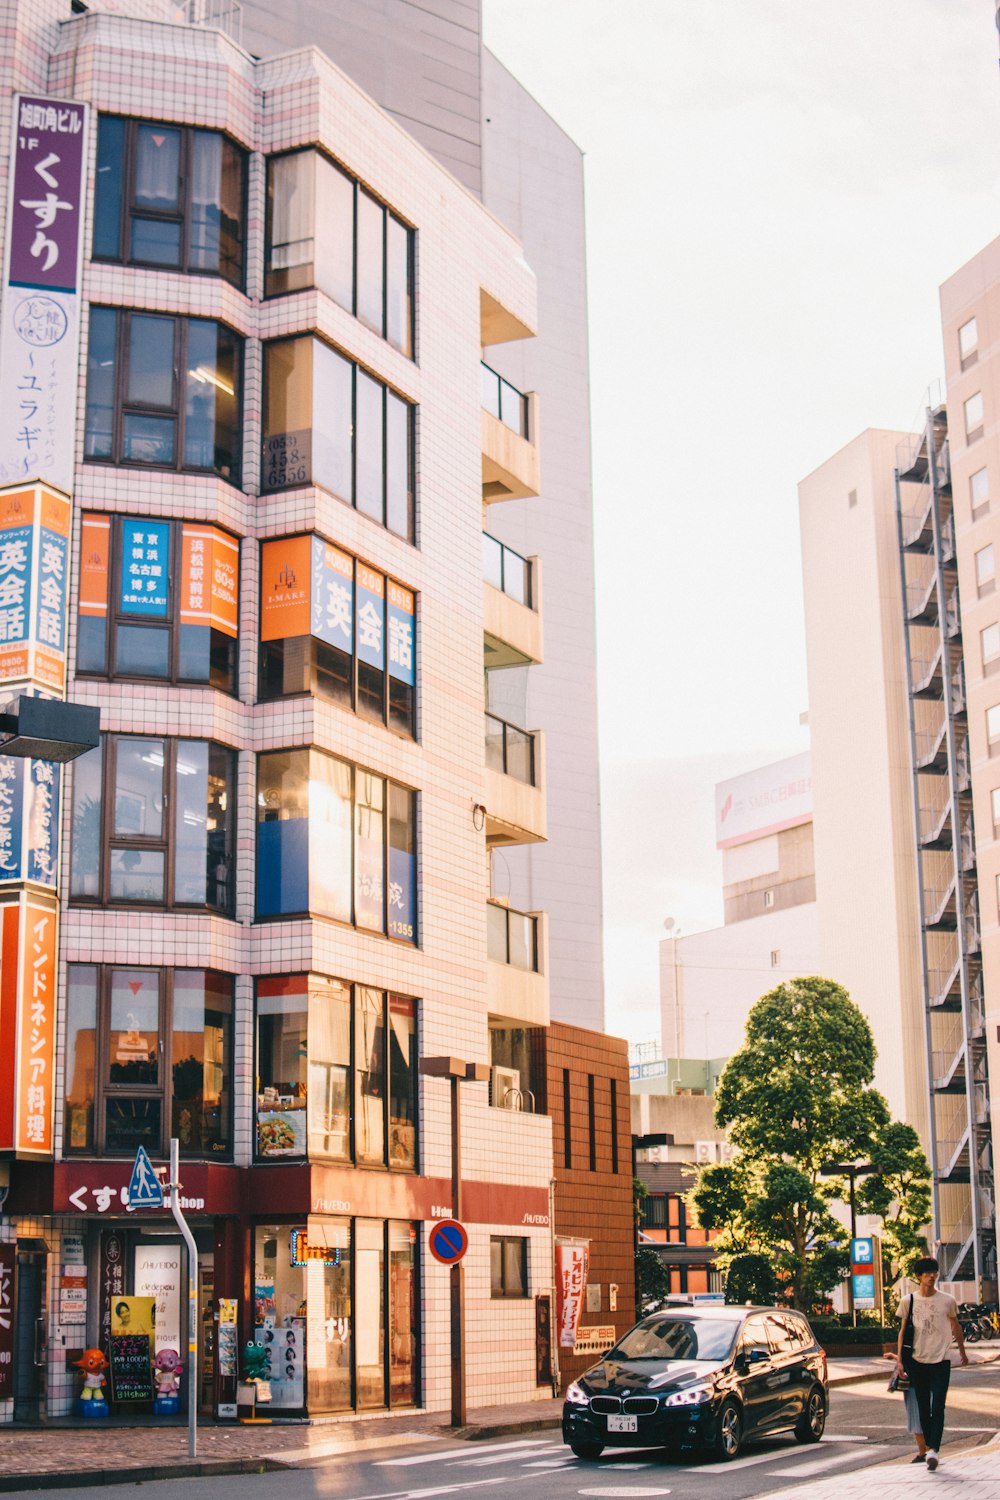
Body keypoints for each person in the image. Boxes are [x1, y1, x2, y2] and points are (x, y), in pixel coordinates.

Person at [895, 1256, 968, 1470]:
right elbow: (902, 1332)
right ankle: (928, 1448)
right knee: (923, 1406)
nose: (932, 1276)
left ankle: (933, 1449)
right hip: (917, 1361)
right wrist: (900, 1360)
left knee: (938, 1406)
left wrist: (962, 1352)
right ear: (918, 1277)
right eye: (927, 1273)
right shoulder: (908, 1301)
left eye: (934, 1272)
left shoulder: (947, 1301)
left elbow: (956, 1327)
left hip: (941, 1359)